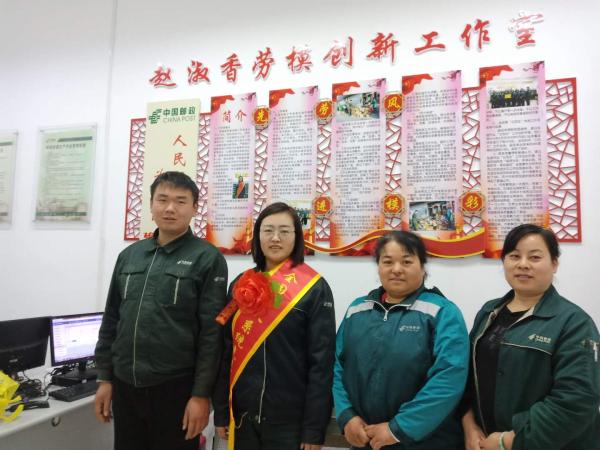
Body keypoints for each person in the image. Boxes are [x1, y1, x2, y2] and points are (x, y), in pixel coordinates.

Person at [94, 171, 228, 450]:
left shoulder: (207, 258)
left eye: (180, 201)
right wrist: (105, 377)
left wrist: (201, 395)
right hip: (125, 385)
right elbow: (112, 319)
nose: (170, 208)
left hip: (176, 389)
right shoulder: (129, 256)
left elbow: (211, 335)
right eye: (162, 199)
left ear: (194, 208)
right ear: (151, 205)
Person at [461, 224, 600, 450]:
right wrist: (469, 424)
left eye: (535, 257)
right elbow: (467, 378)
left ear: (554, 263)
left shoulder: (575, 323)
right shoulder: (488, 312)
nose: (523, 264)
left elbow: (577, 400)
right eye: (514, 256)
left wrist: (509, 441)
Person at [213, 202, 336, 450]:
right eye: (268, 230)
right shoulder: (240, 285)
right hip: (243, 417)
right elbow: (226, 352)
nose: (275, 238)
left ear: (297, 236)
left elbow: (321, 364)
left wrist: (314, 429)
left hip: (289, 423)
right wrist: (222, 411)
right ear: (257, 236)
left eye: (284, 231)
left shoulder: (314, 289)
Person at [333, 230, 469, 450]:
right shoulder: (357, 309)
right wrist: (346, 415)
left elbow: (449, 377)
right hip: (365, 439)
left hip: (424, 442)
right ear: (378, 266)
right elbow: (337, 366)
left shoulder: (443, 312)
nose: (396, 269)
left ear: (423, 267)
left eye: (407, 261)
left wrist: (398, 429)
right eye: (387, 261)